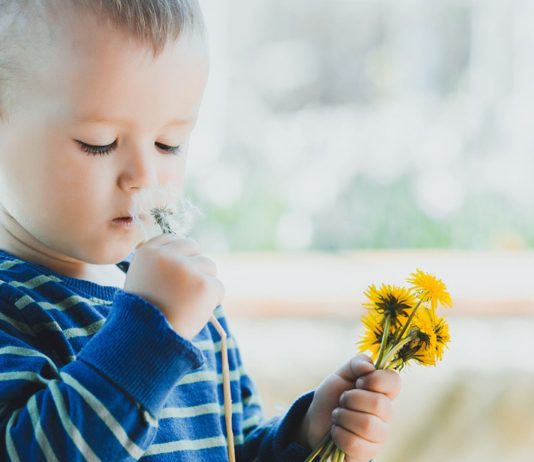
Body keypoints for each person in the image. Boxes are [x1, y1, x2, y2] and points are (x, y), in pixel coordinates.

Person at [0, 1, 401, 460]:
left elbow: (233, 445)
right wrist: (148, 333)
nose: (144, 175)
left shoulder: (185, 298)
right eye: (100, 143)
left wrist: (306, 436)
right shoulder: (16, 310)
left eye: (168, 144)